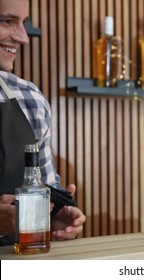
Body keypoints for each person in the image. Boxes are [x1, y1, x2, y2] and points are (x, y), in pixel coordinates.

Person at [0, 0, 86, 246]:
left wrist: (51, 216)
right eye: (6, 21)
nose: (23, 38)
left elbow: (44, 185)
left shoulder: (30, 99)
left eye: (23, 23)